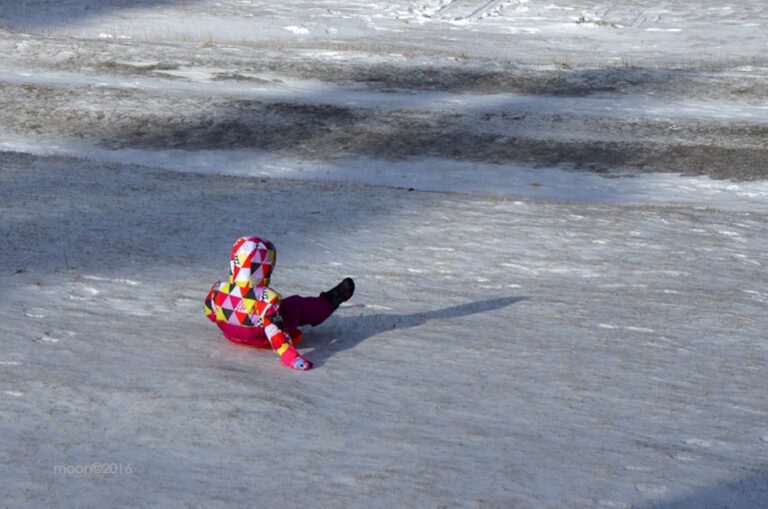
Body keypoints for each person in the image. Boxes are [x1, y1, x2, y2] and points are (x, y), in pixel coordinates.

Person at [204, 236, 354, 371]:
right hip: (261, 337)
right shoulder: (266, 299)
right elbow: (274, 331)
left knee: (276, 309)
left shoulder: (218, 289)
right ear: (265, 268)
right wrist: (290, 357)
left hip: (231, 335)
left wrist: (233, 316)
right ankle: (328, 302)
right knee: (296, 305)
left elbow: (209, 312)